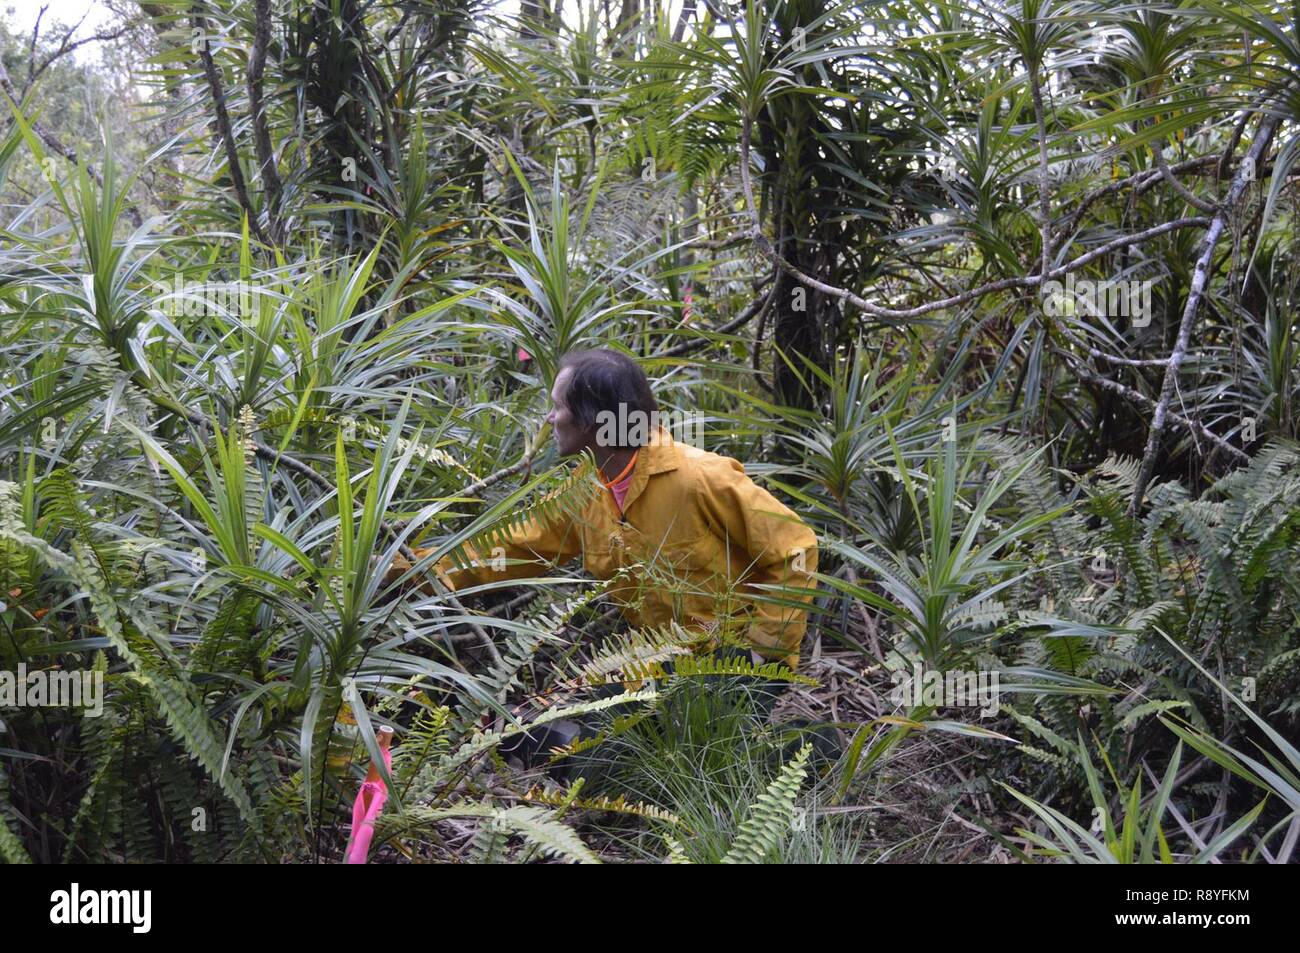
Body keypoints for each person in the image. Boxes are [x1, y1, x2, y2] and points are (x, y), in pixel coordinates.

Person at [392, 348, 826, 774]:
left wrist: (763, 652)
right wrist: (413, 568)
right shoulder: (586, 492)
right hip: (656, 668)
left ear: (594, 420)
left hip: (729, 664)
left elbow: (796, 548)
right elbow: (512, 549)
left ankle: (811, 745)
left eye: (558, 407)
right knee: (589, 758)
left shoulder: (699, 478)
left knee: (638, 770)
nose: (550, 418)